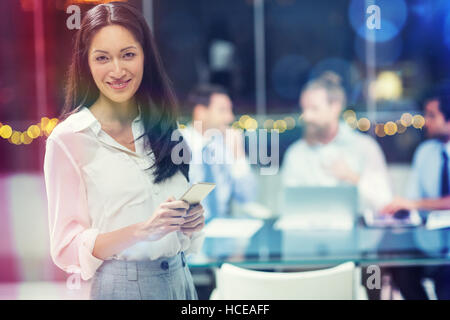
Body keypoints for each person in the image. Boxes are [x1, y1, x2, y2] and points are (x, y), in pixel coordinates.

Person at [43, 2, 205, 300]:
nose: (117, 70)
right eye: (102, 58)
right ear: (86, 64)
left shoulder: (163, 125)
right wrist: (142, 231)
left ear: (145, 57)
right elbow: (66, 248)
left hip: (181, 281)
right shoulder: (69, 139)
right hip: (121, 286)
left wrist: (191, 221)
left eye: (128, 55)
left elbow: (176, 220)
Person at [280, 72, 392, 212]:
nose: (307, 116)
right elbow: (287, 208)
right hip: (309, 231)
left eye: (314, 109)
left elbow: (385, 203)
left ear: (335, 107)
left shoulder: (365, 147)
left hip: (358, 230)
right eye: (304, 109)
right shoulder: (296, 154)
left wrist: (352, 177)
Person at [382, 87, 450, 300]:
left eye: (432, 115)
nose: (425, 121)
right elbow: (412, 202)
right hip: (430, 240)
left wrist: (416, 204)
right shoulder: (425, 153)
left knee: (446, 278)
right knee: (400, 266)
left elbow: (417, 203)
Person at [181, 84, 257, 223]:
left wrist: (238, 154)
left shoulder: (224, 145)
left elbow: (247, 196)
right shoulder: (176, 146)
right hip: (186, 229)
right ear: (200, 112)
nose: (230, 117)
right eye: (223, 110)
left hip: (222, 227)